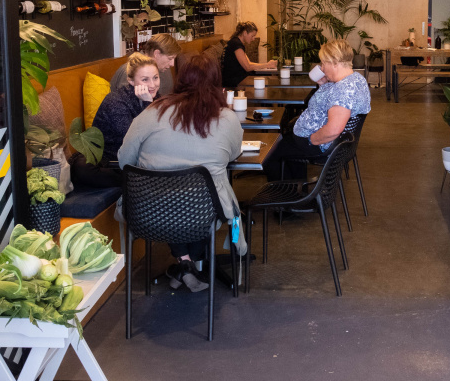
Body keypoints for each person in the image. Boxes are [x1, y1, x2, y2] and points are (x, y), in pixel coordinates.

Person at [118, 52, 246, 292]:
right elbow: (233, 155)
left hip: (147, 211)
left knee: (173, 199)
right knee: (196, 203)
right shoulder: (227, 118)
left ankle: (185, 264)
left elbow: (125, 161)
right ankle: (190, 263)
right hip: (204, 211)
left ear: (180, 80)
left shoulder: (152, 112)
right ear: (216, 82)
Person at [265, 39, 371, 181]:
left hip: (321, 145)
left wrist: (311, 139)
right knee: (287, 144)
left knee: (269, 155)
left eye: (323, 63)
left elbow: (334, 130)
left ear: (334, 62)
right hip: (331, 143)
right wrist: (324, 85)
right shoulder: (356, 79)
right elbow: (332, 102)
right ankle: (297, 188)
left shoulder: (343, 90)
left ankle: (285, 192)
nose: (322, 68)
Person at [70, 53, 160, 188]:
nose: (152, 84)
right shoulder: (116, 102)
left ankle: (140, 178)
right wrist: (148, 104)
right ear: (131, 81)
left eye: (155, 78)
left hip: (137, 160)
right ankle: (138, 180)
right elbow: (135, 141)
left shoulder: (156, 97)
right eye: (145, 79)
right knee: (82, 167)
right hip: (109, 160)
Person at [110, 34, 180, 95]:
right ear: (157, 54)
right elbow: (125, 102)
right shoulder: (131, 70)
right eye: (170, 58)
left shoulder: (163, 68)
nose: (172, 64)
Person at [221, 21, 276, 87]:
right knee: (266, 76)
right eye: (252, 36)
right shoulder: (236, 44)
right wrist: (267, 65)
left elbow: (249, 63)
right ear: (245, 33)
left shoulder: (236, 42)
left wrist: (267, 65)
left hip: (237, 76)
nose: (253, 39)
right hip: (233, 80)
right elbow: (247, 67)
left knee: (266, 74)